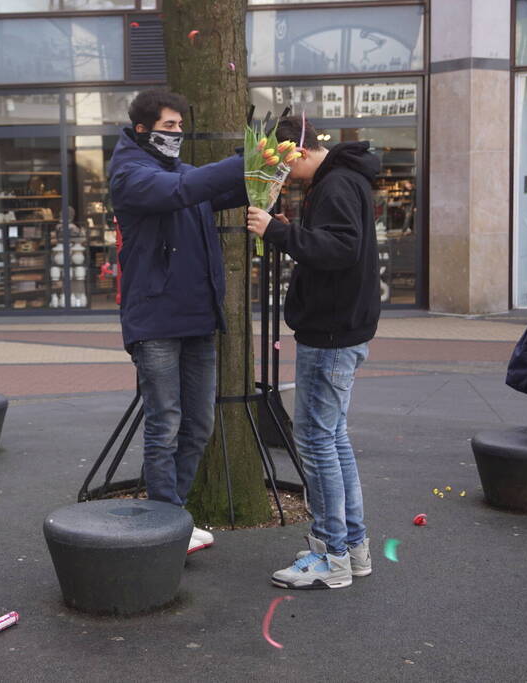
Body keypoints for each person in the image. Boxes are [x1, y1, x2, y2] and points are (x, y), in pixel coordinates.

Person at [109, 89, 247, 555]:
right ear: (143, 129)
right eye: (169, 127)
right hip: (155, 319)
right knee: (164, 425)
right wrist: (244, 159)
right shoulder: (131, 174)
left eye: (180, 127)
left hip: (197, 317)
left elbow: (220, 189)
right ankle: (167, 524)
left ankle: (174, 516)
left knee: (200, 424)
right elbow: (183, 192)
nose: (178, 135)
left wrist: (267, 166)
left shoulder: (178, 172)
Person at [247, 116, 381, 589]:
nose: (280, 173)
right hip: (341, 328)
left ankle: (330, 555)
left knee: (317, 441)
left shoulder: (336, 184)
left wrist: (277, 233)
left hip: (331, 332)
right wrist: (290, 232)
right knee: (333, 439)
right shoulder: (345, 179)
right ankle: (352, 548)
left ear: (297, 151)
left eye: (282, 161)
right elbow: (339, 245)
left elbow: (340, 249)